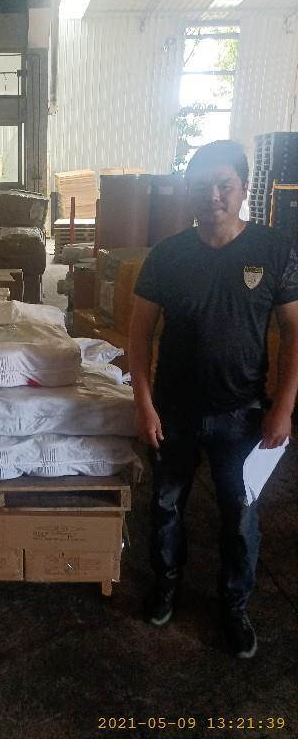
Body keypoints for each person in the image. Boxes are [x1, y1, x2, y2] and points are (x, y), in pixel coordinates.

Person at [129, 140, 298, 659]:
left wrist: (283, 408)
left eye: (225, 185)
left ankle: (234, 605)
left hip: (242, 415)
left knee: (240, 516)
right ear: (191, 192)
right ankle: (167, 587)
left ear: (244, 189)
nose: (214, 196)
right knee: (166, 507)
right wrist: (144, 404)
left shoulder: (274, 250)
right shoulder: (167, 256)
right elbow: (139, 336)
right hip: (173, 413)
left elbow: (295, 333)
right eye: (202, 186)